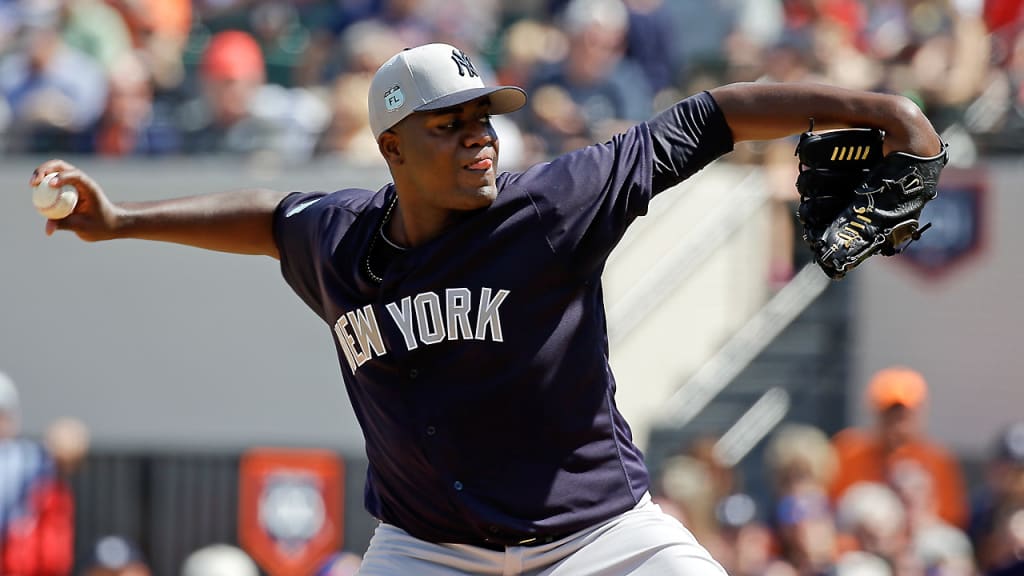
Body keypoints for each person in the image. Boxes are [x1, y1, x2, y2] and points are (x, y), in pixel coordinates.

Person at [32, 41, 944, 575]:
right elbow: (268, 222)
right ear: (391, 148)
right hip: (428, 551)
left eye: (484, 116)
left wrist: (882, 106)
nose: (480, 136)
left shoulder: (551, 205)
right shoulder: (338, 240)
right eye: (451, 124)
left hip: (598, 537)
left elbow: (706, 117)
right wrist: (119, 222)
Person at [828, 366, 969, 529]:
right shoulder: (849, 451)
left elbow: (953, 519)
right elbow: (831, 506)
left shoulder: (938, 459)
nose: (897, 423)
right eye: (889, 414)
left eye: (903, 415)